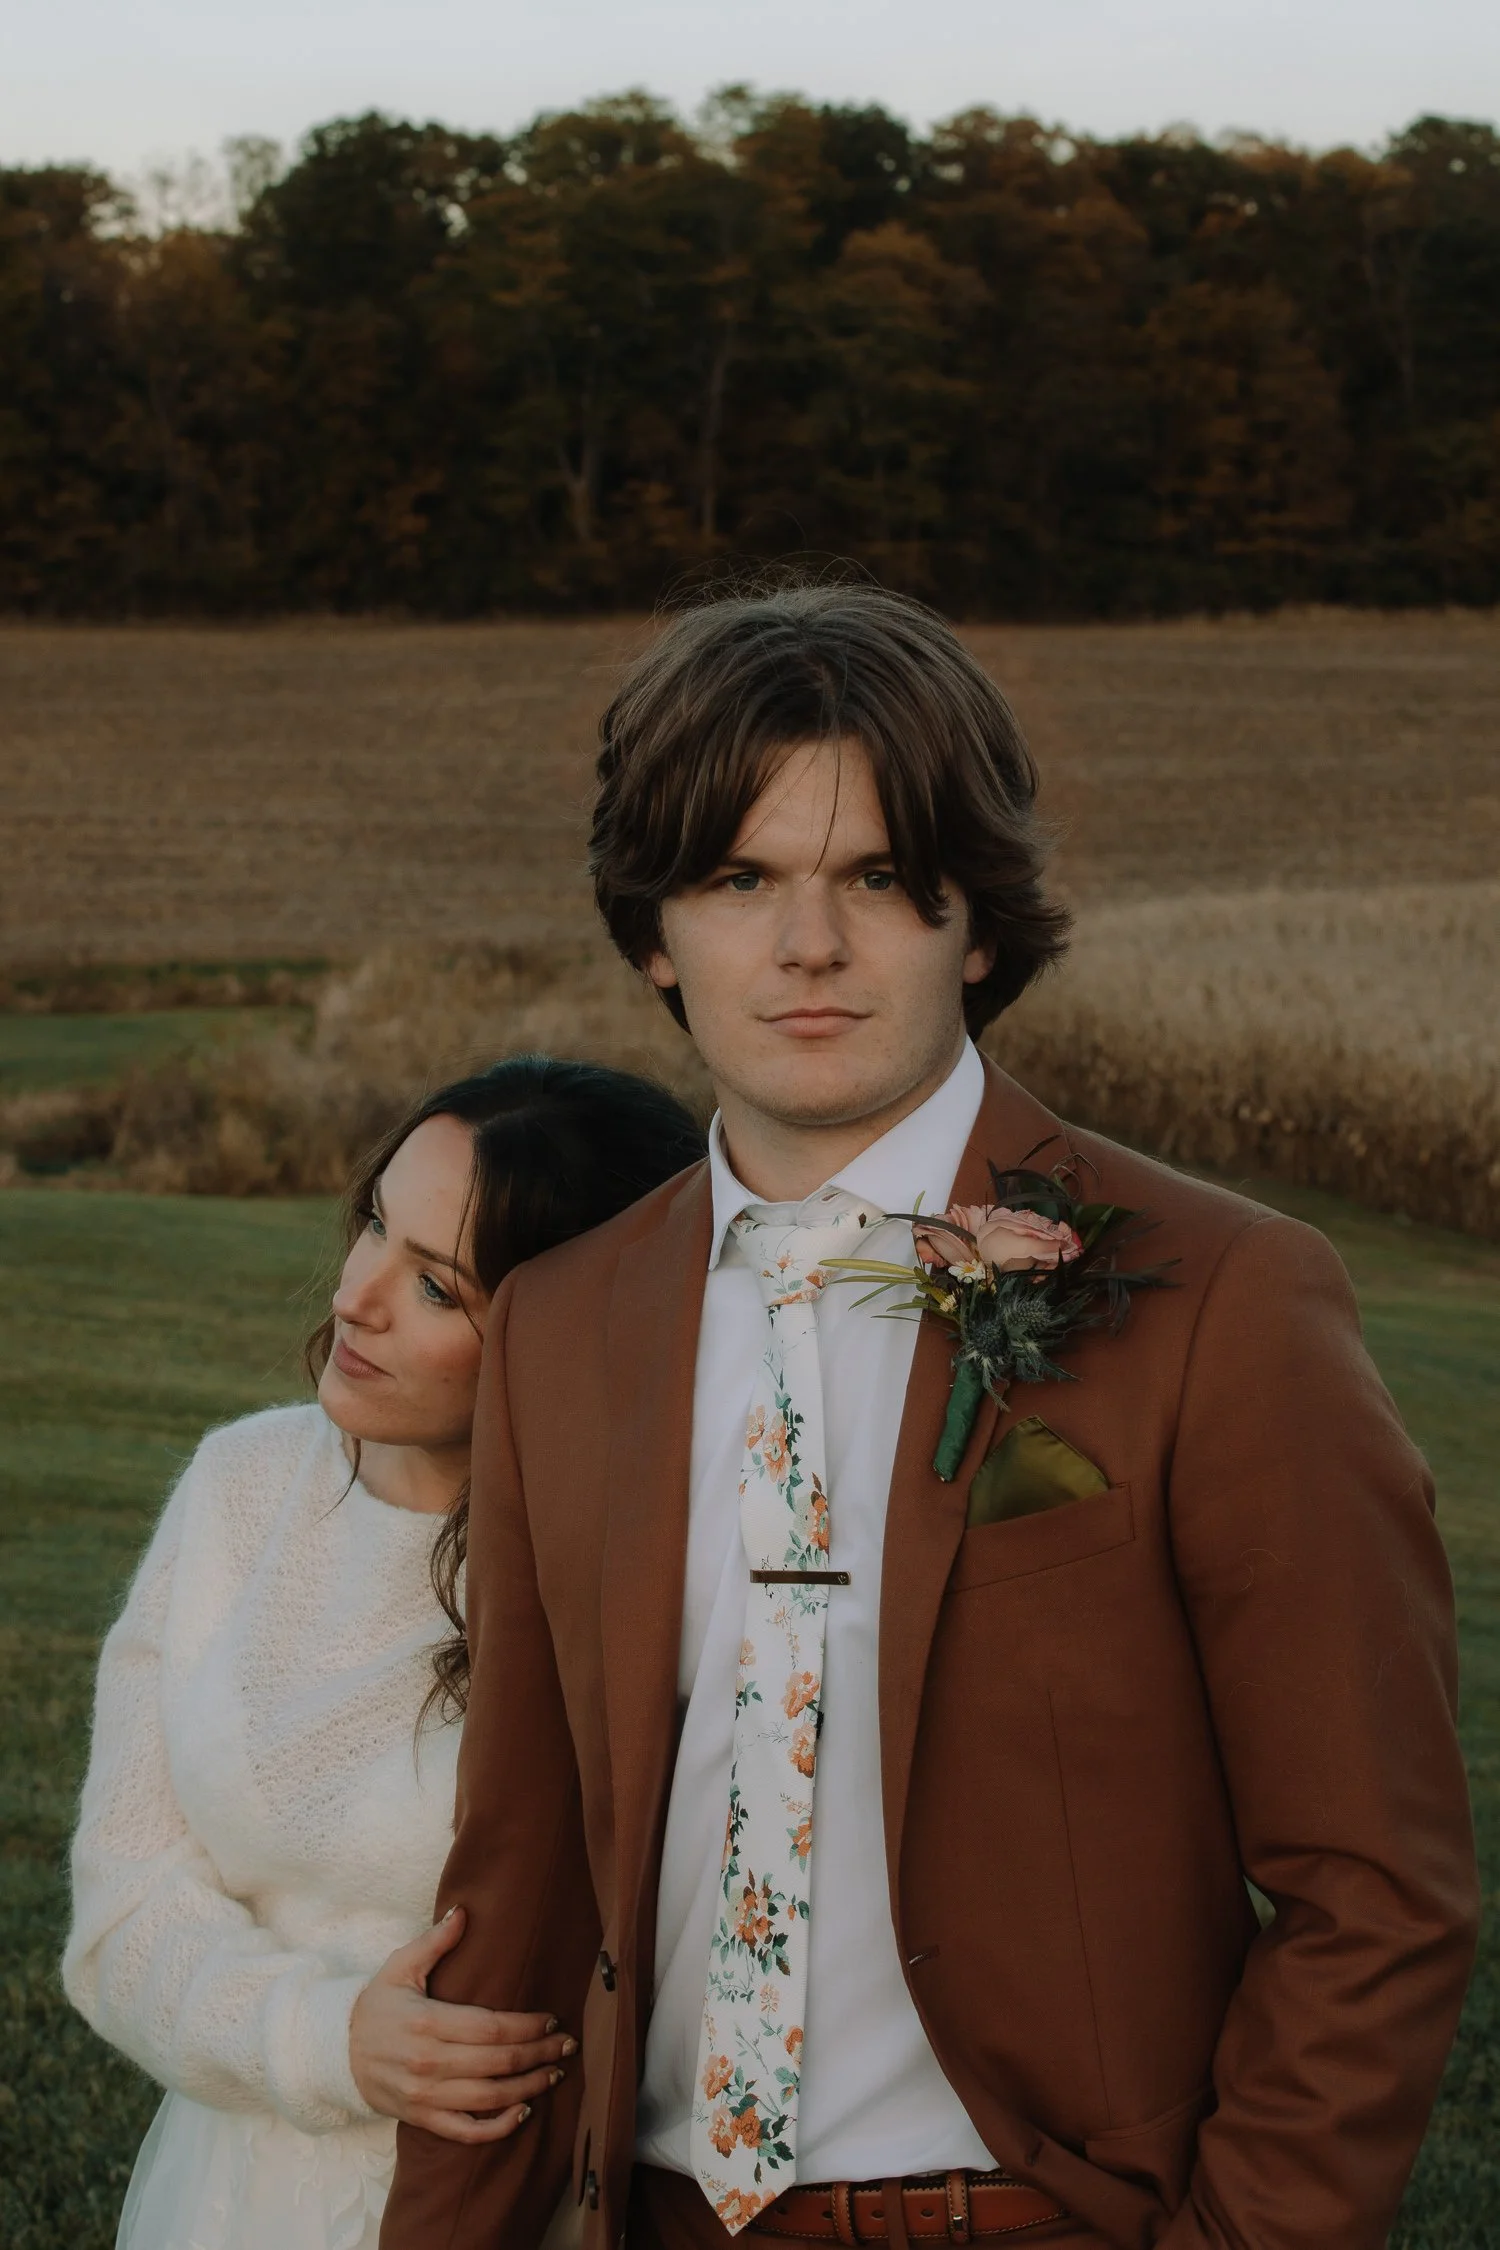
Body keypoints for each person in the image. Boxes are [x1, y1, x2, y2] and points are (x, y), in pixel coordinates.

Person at [381, 579, 1479, 2250]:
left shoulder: (1221, 1297)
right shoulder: (563, 1324)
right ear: (653, 933)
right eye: (739, 878)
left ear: (976, 922)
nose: (808, 946)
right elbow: (518, 1886)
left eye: (880, 877)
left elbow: (1376, 1888)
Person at [64, 1057, 704, 2250]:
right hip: (229, 2193)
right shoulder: (240, 1487)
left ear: (568, 1338)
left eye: (435, 1287)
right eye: (373, 1223)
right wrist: (323, 2040)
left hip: (495, 2202)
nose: (356, 1297)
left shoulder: (627, 1584)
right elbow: (120, 1906)